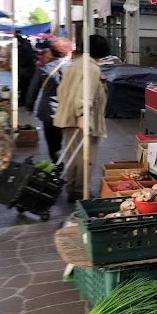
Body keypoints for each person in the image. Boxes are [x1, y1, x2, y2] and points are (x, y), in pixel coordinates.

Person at [54, 35, 110, 201]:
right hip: (81, 120)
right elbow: (85, 94)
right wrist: (82, 114)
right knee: (85, 158)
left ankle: (73, 190)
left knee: (73, 157)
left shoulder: (75, 64)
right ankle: (79, 193)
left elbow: (62, 90)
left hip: (68, 118)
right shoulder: (91, 68)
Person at [26, 37, 73, 163]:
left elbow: (32, 90)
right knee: (72, 142)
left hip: (49, 111)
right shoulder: (75, 69)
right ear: (69, 52)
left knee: (53, 142)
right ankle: (70, 167)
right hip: (70, 111)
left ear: (51, 52)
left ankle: (56, 165)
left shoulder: (44, 69)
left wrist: (29, 106)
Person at [16, 31, 36, 104]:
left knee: (24, 85)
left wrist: (20, 64)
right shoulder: (25, 44)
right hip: (27, 69)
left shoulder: (24, 46)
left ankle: (24, 101)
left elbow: (25, 59)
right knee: (25, 85)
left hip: (26, 70)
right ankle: (24, 100)